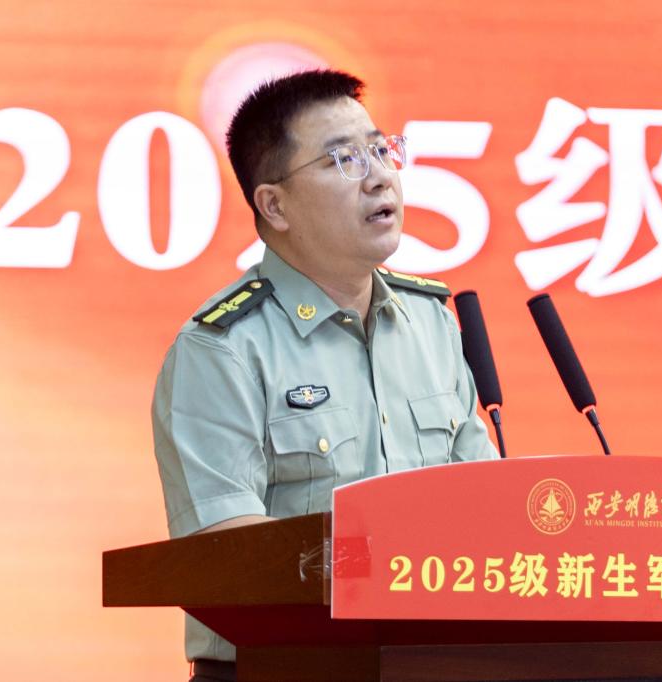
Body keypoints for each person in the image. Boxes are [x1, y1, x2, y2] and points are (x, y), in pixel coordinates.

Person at [151, 69, 499, 681]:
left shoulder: (431, 324)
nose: (379, 176)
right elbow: (234, 556)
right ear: (274, 205)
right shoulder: (223, 349)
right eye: (343, 159)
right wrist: (392, 567)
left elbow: (486, 509)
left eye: (381, 150)